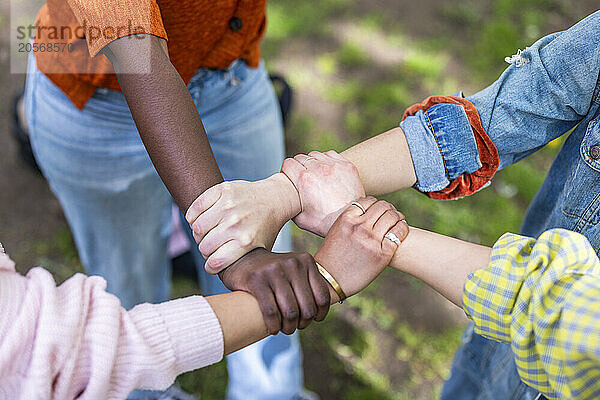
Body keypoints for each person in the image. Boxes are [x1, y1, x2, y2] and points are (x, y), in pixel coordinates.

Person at [187, 10, 600, 400]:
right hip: (496, 333)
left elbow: (561, 320)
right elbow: (512, 108)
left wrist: (370, 230)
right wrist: (285, 193)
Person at [24, 1, 329, 399]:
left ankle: (272, 392)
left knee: (271, 264)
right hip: (97, 102)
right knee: (129, 284)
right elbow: (138, 54)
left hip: (231, 81)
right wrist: (234, 246)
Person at [0, 198, 409, 400]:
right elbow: (83, 350)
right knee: (123, 275)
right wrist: (324, 280)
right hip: (89, 97)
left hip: (230, 73)